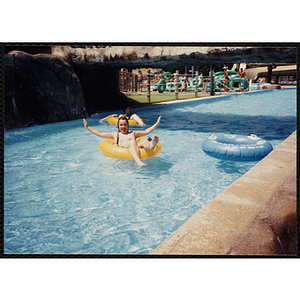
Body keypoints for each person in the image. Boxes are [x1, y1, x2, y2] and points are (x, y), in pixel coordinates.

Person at [83, 115, 161, 166]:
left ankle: (151, 145)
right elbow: (100, 133)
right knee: (132, 141)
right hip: (124, 149)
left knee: (144, 141)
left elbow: (146, 131)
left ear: (128, 125)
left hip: (134, 147)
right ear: (118, 126)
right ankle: (139, 162)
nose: (123, 127)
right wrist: (88, 127)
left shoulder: (133, 133)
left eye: (125, 125)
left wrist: (156, 123)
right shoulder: (116, 135)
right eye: (121, 125)